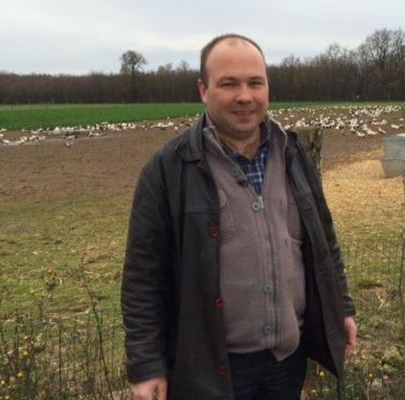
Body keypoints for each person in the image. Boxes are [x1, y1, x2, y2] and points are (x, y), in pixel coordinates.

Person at [121, 33, 357, 400]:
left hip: (287, 361)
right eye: (228, 84)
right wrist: (146, 364)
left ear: (267, 87)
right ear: (203, 89)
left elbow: (324, 239)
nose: (244, 96)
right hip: (212, 370)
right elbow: (143, 278)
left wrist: (340, 306)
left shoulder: (294, 156)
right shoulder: (167, 170)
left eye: (254, 83)